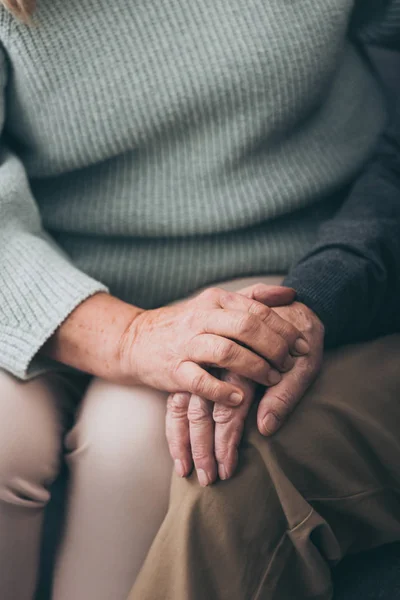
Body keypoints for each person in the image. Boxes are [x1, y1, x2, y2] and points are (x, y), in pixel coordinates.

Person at [0, 2, 399, 600]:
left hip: (276, 261)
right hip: (39, 272)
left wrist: (337, 278)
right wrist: (129, 337)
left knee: (135, 444)